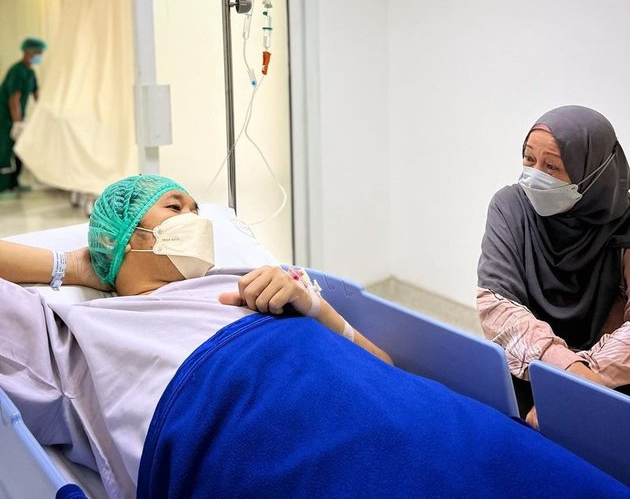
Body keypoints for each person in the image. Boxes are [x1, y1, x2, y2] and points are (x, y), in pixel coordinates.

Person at [2, 174, 628, 499]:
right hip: (255, 439)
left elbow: (384, 367)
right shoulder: (78, 333)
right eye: (174, 209)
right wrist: (78, 267)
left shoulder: (258, 281)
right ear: (126, 235)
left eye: (198, 210)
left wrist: (316, 310)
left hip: (421, 420)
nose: (197, 221)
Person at [477, 105, 630, 426]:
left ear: (593, 174)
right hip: (529, 363)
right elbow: (497, 305)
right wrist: (564, 373)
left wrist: (578, 387)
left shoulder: (625, 224)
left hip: (610, 372)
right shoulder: (510, 207)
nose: (534, 175)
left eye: (552, 166)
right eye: (529, 159)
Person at [0, 37, 46, 197]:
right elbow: (14, 100)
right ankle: (3, 187)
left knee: (19, 149)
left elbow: (37, 95)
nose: (39, 56)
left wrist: (45, 113)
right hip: (5, 117)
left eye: (41, 53)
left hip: (16, 117)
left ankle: (14, 183)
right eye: (37, 53)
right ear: (27, 52)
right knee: (5, 150)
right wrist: (17, 123)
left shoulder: (31, 72)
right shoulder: (17, 71)